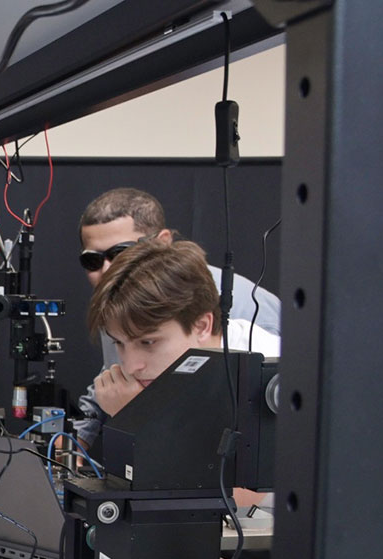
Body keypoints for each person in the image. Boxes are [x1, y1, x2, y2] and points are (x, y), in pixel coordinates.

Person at [71, 187, 279, 446]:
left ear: (203, 325)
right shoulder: (124, 308)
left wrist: (139, 414)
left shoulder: (262, 364)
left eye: (148, 342)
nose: (131, 366)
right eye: (119, 343)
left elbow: (235, 482)